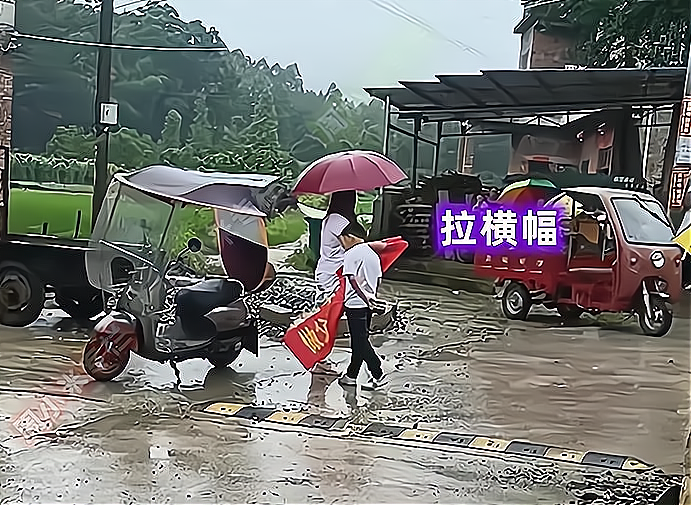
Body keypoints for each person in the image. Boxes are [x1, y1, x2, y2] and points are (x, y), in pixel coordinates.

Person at [337, 221, 387, 391]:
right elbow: (378, 279)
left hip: (356, 303)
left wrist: (365, 298)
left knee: (360, 341)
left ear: (350, 237)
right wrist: (372, 297)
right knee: (359, 341)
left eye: (342, 240)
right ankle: (351, 375)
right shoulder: (372, 254)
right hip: (368, 304)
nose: (341, 245)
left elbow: (352, 279)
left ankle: (378, 372)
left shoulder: (352, 253)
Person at [314, 190, 357, 298]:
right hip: (334, 273)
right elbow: (352, 245)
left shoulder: (331, 217)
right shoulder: (340, 220)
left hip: (326, 269)